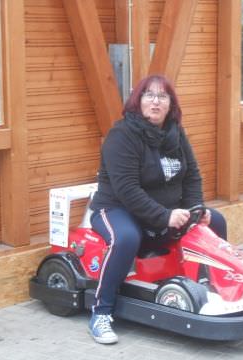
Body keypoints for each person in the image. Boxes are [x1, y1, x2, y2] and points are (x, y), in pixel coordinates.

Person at [88, 74, 227, 344]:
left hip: (164, 211)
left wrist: (196, 210)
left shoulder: (175, 132)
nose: (155, 101)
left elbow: (192, 176)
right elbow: (127, 190)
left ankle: (210, 290)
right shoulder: (121, 135)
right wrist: (165, 217)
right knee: (126, 238)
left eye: (162, 96)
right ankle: (101, 312)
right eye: (149, 95)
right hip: (117, 209)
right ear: (138, 101)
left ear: (170, 104)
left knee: (216, 222)